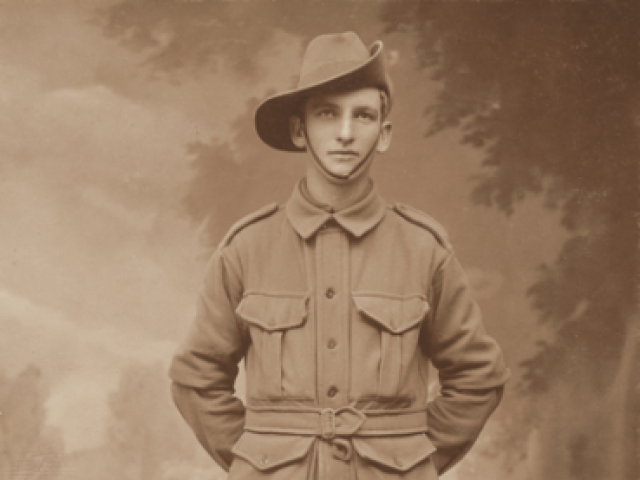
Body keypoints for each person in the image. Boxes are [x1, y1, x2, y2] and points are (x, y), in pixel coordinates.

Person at [169, 32, 510, 480]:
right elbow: (196, 378)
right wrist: (259, 460)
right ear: (299, 130)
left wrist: (412, 461)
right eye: (328, 113)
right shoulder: (247, 248)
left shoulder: (423, 248)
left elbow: (478, 377)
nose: (346, 133)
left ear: (384, 134)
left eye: (363, 115)